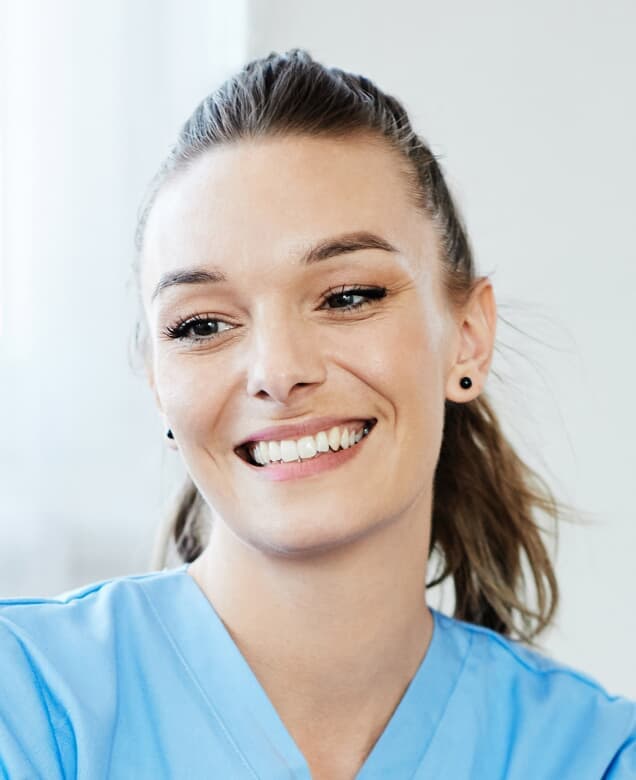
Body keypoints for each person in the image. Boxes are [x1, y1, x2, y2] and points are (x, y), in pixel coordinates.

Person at [0, 48, 634, 780]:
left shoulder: (595, 756)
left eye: (348, 296)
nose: (279, 372)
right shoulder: (25, 703)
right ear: (158, 385)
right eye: (202, 325)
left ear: (468, 335)